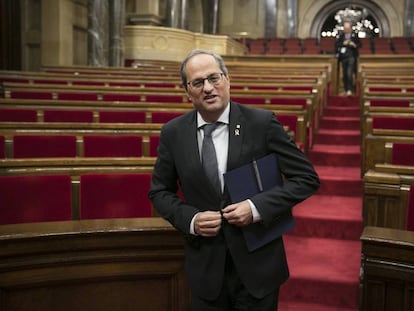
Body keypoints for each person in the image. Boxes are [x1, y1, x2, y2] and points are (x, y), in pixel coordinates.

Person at [148, 49, 320, 310]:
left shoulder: (261, 123)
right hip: (206, 270)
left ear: (227, 80)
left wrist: (255, 207)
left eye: (214, 78)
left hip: (257, 266)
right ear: (187, 91)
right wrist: (191, 220)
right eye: (197, 82)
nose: (208, 88)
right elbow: (159, 191)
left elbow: (306, 178)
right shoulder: (173, 133)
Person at [335, 21, 361, 96]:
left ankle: (350, 89)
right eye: (345, 28)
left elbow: (359, 44)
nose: (346, 29)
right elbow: (337, 45)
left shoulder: (354, 35)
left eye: (347, 28)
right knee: (344, 74)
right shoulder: (341, 36)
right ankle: (346, 89)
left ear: (350, 28)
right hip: (343, 57)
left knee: (349, 73)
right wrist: (343, 43)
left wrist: (353, 44)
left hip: (352, 56)